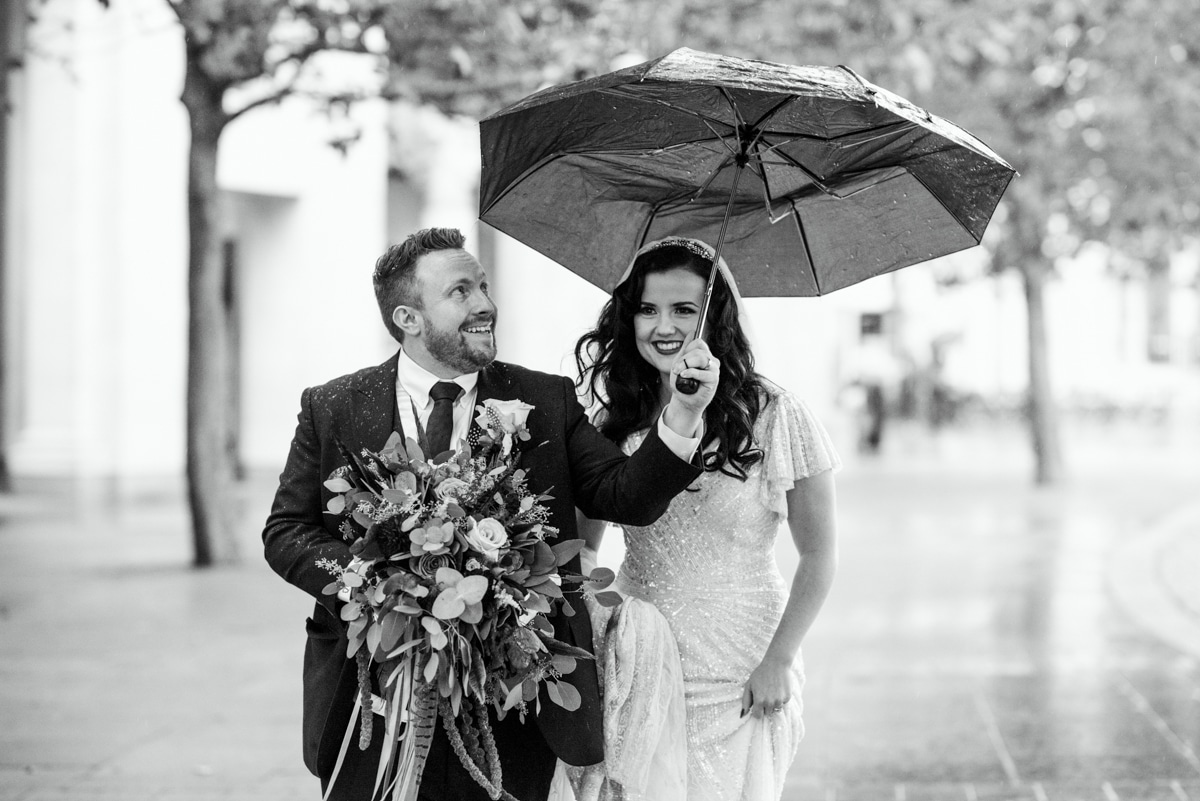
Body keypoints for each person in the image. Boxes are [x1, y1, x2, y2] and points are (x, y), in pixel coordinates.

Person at [262, 227, 720, 801]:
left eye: (483, 285)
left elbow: (625, 495)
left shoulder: (546, 400)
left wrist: (682, 413)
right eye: (460, 292)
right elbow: (286, 532)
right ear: (408, 317)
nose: (485, 304)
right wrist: (374, 582)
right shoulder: (333, 406)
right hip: (371, 701)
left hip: (517, 702)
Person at [568, 237, 840, 801]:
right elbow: (582, 552)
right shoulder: (613, 422)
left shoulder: (774, 415)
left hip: (740, 664)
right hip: (637, 660)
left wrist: (780, 659)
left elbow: (819, 555)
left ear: (713, 316)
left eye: (683, 309)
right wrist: (606, 619)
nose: (663, 326)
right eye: (648, 309)